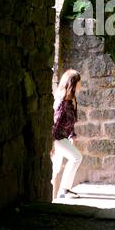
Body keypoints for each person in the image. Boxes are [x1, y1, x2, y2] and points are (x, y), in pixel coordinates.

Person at [51, 69, 83, 198]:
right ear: (73, 84)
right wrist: (52, 145)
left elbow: (71, 121)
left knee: (55, 169)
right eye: (79, 82)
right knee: (76, 158)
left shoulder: (72, 100)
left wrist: (72, 135)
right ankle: (64, 191)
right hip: (57, 138)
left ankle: (60, 193)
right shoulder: (61, 102)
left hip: (63, 137)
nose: (81, 85)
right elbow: (55, 124)